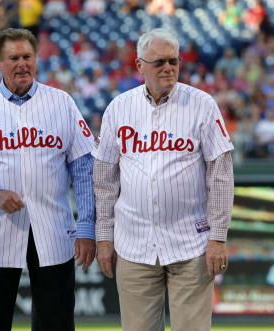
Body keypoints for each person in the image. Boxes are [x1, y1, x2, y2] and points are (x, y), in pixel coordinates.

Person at [93, 28, 234, 331]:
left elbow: (221, 175)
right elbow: (104, 180)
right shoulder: (119, 108)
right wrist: (104, 238)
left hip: (191, 242)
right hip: (134, 243)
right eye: (159, 62)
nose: (168, 68)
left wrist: (218, 237)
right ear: (139, 65)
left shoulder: (202, 105)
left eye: (174, 61)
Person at [0, 28, 96, 331]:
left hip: (55, 229)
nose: (22, 64)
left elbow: (84, 168)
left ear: (36, 59)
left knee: (56, 322)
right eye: (14, 58)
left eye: (27, 57)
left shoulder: (62, 103)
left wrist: (86, 225)